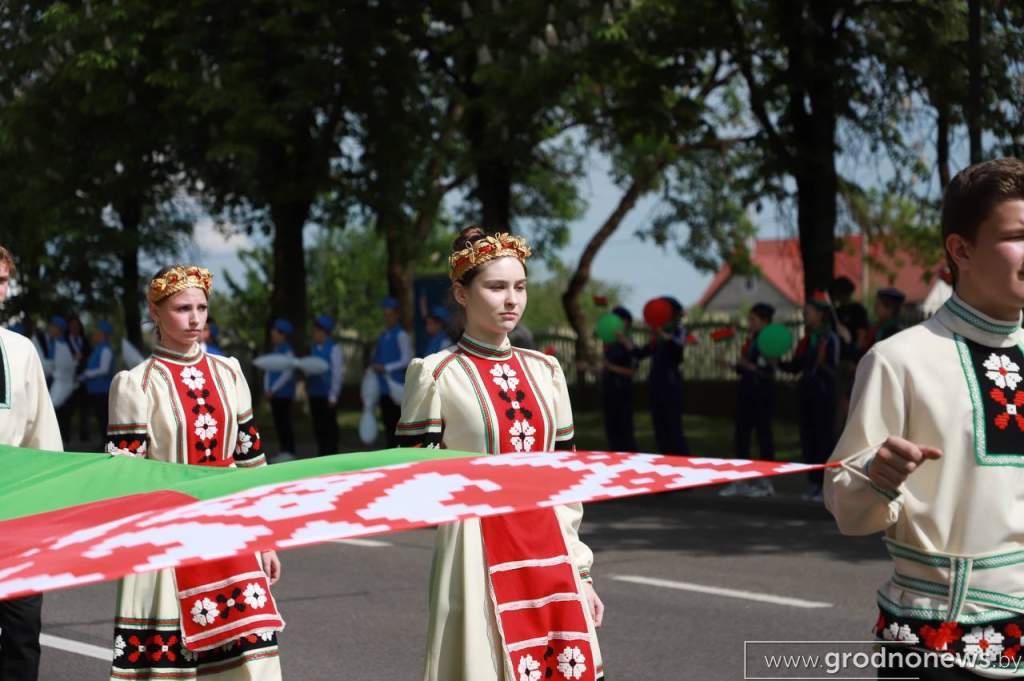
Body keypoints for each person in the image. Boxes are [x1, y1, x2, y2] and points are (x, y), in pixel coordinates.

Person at [826, 159, 1024, 680]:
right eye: (1019, 235)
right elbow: (847, 506)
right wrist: (877, 475)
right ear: (961, 250)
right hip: (937, 645)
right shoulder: (901, 360)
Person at [397, 227, 604, 681]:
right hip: (476, 553)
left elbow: (566, 483)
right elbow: (411, 482)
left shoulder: (546, 371)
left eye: (520, 287)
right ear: (461, 294)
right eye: (495, 287)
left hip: (550, 550)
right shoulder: (436, 375)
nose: (511, 299)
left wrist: (582, 573)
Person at [105, 265, 282, 680]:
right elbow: (124, 476)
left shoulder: (230, 372)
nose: (195, 318)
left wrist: (267, 537)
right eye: (183, 308)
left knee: (250, 654)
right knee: (173, 659)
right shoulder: (136, 384)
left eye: (201, 307)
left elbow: (251, 459)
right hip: (165, 532)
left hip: (230, 527)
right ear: (155, 311)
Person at [0, 244, 63, 681]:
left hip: (16, 510)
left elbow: (43, 434)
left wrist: (51, 509)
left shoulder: (20, 349)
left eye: (1, 280)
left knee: (22, 632)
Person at [780, 292, 840, 502]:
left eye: (810, 311)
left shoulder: (830, 337)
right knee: (808, 439)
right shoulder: (807, 338)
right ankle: (814, 483)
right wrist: (777, 362)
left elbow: (835, 368)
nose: (805, 314)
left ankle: (826, 486)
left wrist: (822, 365)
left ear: (821, 314)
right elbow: (797, 366)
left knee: (823, 439)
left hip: (823, 395)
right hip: (807, 394)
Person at [720, 303, 777, 498]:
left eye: (753, 320)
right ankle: (742, 478)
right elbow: (747, 366)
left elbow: (768, 369)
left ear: (765, 321)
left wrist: (749, 366)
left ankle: (766, 480)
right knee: (742, 435)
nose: (749, 323)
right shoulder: (751, 339)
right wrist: (735, 365)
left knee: (763, 435)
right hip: (747, 391)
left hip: (761, 393)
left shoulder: (770, 340)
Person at [636, 296, 690, 454]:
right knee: (660, 429)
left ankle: (682, 461)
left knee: (674, 428)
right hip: (656, 385)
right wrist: (627, 343)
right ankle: (666, 460)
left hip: (671, 386)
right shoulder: (657, 337)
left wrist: (664, 336)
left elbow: (678, 352)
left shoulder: (679, 331)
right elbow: (641, 353)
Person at [371, 297, 412, 447]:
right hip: (384, 388)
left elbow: (406, 359)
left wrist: (386, 367)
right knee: (388, 424)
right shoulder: (383, 335)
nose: (386, 318)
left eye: (389, 314)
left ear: (396, 315)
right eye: (385, 314)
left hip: (397, 387)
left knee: (398, 425)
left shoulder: (401, 335)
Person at [601, 305, 638, 452]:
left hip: (622, 390)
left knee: (624, 429)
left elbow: (632, 371)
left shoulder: (628, 343)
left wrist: (611, 368)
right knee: (612, 428)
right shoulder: (610, 343)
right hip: (609, 390)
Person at [307, 314, 344, 456]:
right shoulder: (313, 347)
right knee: (318, 427)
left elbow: (337, 372)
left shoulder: (334, 348)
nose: (314, 333)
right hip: (314, 393)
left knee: (329, 427)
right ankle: (322, 454)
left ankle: (332, 454)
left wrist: (333, 395)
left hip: (328, 395)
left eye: (316, 330)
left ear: (324, 332)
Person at [78, 320, 115, 450]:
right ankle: (105, 443)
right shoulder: (99, 348)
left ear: (103, 334)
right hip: (96, 389)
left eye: (97, 333)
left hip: (102, 390)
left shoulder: (105, 349)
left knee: (104, 418)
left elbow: (103, 369)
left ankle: (107, 445)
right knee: (100, 417)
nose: (95, 335)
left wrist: (87, 374)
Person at [263, 318, 297, 459]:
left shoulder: (288, 351)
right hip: (274, 394)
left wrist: (273, 389)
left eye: (275, 331)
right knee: (279, 423)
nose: (272, 333)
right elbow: (269, 370)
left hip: (283, 393)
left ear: (282, 334)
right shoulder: (276, 349)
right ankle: (283, 452)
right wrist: (267, 388)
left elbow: (287, 373)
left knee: (284, 423)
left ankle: (289, 452)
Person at [66, 315, 92, 443]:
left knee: (84, 409)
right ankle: (66, 435)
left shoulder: (84, 340)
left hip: (84, 379)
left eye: (77, 325)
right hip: (69, 378)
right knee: (68, 408)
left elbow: (89, 355)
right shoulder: (65, 341)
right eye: (72, 325)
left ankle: (84, 436)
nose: (74, 328)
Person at [863, 287, 905, 352]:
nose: (875, 307)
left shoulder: (896, 331)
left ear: (890, 309)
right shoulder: (876, 326)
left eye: (878, 305)